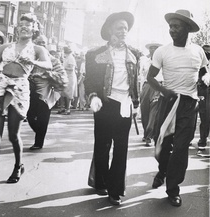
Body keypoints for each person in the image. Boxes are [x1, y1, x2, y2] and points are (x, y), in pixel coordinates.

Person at [0, 13, 52, 200]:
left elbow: (48, 65)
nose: (23, 27)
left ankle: (18, 165)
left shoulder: (37, 49)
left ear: (34, 28)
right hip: (0, 86)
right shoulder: (6, 47)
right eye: (20, 24)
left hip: (21, 89)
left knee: (13, 135)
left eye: (27, 25)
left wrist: (33, 61)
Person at [147, 10, 209, 207]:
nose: (171, 30)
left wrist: (203, 84)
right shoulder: (162, 51)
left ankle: (173, 189)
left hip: (189, 104)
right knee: (163, 144)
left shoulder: (198, 51)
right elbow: (150, 78)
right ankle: (163, 170)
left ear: (187, 29)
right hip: (168, 102)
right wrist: (165, 91)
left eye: (176, 26)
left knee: (181, 147)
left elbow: (203, 74)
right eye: (170, 26)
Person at [84, 11, 141, 206]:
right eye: (119, 28)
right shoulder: (94, 54)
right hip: (104, 104)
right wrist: (92, 98)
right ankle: (100, 181)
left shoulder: (135, 54)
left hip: (124, 105)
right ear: (110, 30)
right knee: (102, 146)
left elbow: (135, 83)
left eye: (126, 28)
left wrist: (136, 104)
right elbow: (89, 82)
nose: (124, 31)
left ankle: (115, 189)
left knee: (121, 148)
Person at [27, 34, 67, 150]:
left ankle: (39, 142)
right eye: (39, 43)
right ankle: (39, 133)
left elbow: (63, 77)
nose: (41, 45)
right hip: (31, 93)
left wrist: (47, 74)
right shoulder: (30, 59)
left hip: (47, 94)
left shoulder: (53, 60)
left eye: (43, 43)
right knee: (30, 116)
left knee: (42, 118)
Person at [139, 42, 162, 146]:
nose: (153, 50)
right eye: (151, 48)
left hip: (157, 86)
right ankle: (146, 133)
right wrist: (140, 90)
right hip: (146, 86)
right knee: (145, 111)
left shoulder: (163, 61)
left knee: (154, 112)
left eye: (155, 48)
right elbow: (140, 76)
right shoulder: (144, 61)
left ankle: (149, 136)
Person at [196, 44, 210, 156]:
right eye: (205, 52)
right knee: (204, 117)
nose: (207, 54)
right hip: (204, 92)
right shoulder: (200, 64)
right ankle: (202, 142)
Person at [57, 46, 77, 115]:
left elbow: (71, 68)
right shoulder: (66, 58)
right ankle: (62, 107)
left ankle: (68, 109)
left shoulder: (71, 58)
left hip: (70, 77)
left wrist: (64, 69)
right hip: (65, 76)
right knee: (63, 92)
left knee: (68, 93)